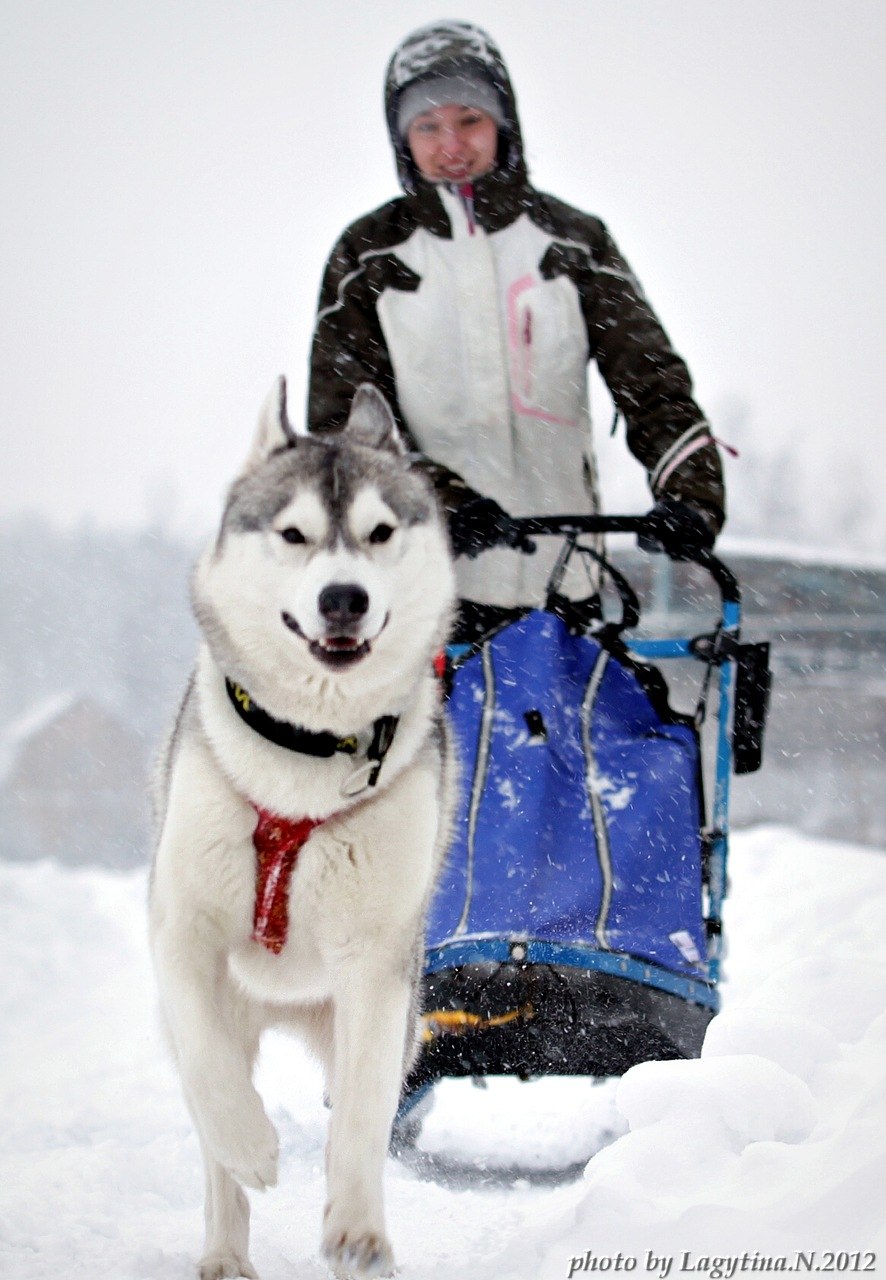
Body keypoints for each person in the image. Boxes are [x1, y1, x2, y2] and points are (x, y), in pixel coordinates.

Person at [307, 19, 725, 624]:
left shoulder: (574, 244)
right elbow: (343, 426)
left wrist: (691, 495)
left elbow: (652, 380)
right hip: (422, 591)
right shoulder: (368, 258)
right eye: (428, 126)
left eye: (470, 120)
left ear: (504, 123)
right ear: (403, 139)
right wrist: (439, 503)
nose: (451, 144)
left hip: (568, 579)